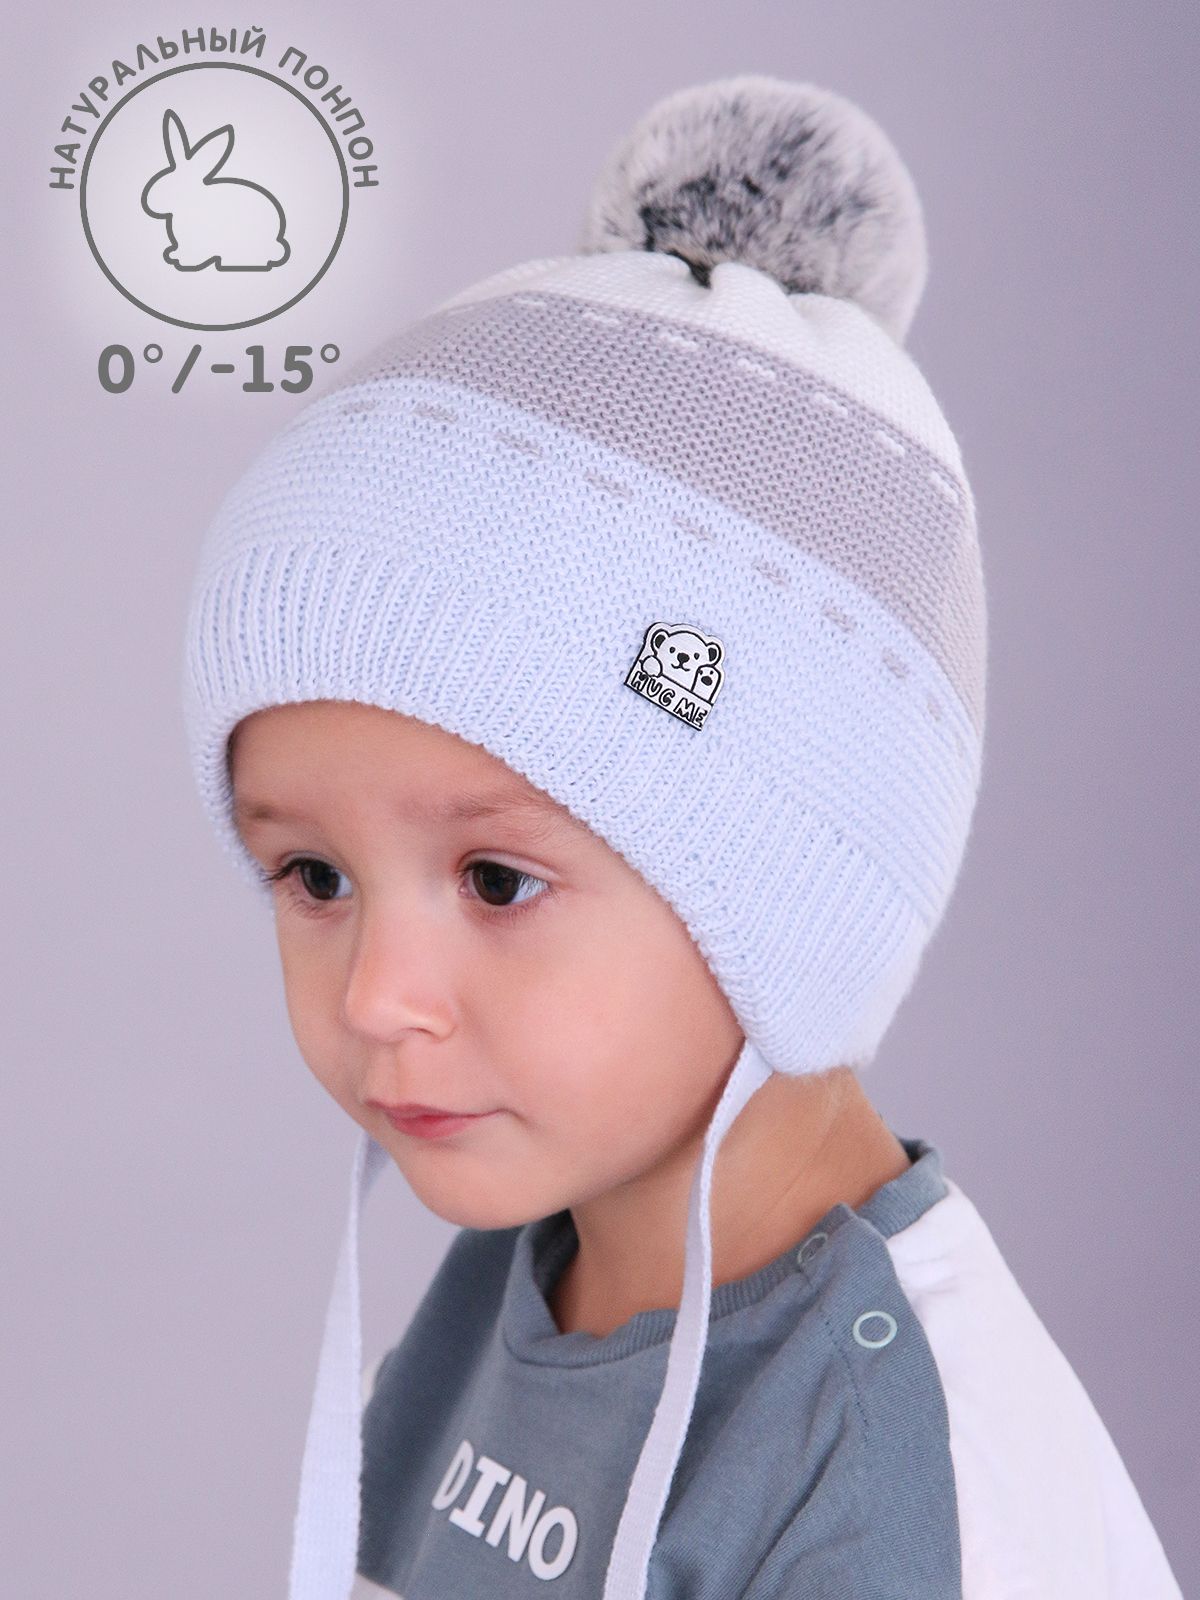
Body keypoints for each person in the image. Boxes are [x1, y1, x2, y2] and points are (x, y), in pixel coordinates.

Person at [181, 74, 1183, 1600]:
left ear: (786, 893)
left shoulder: (888, 1476)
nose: (379, 996)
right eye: (314, 875)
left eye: (496, 879)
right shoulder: (527, 1271)